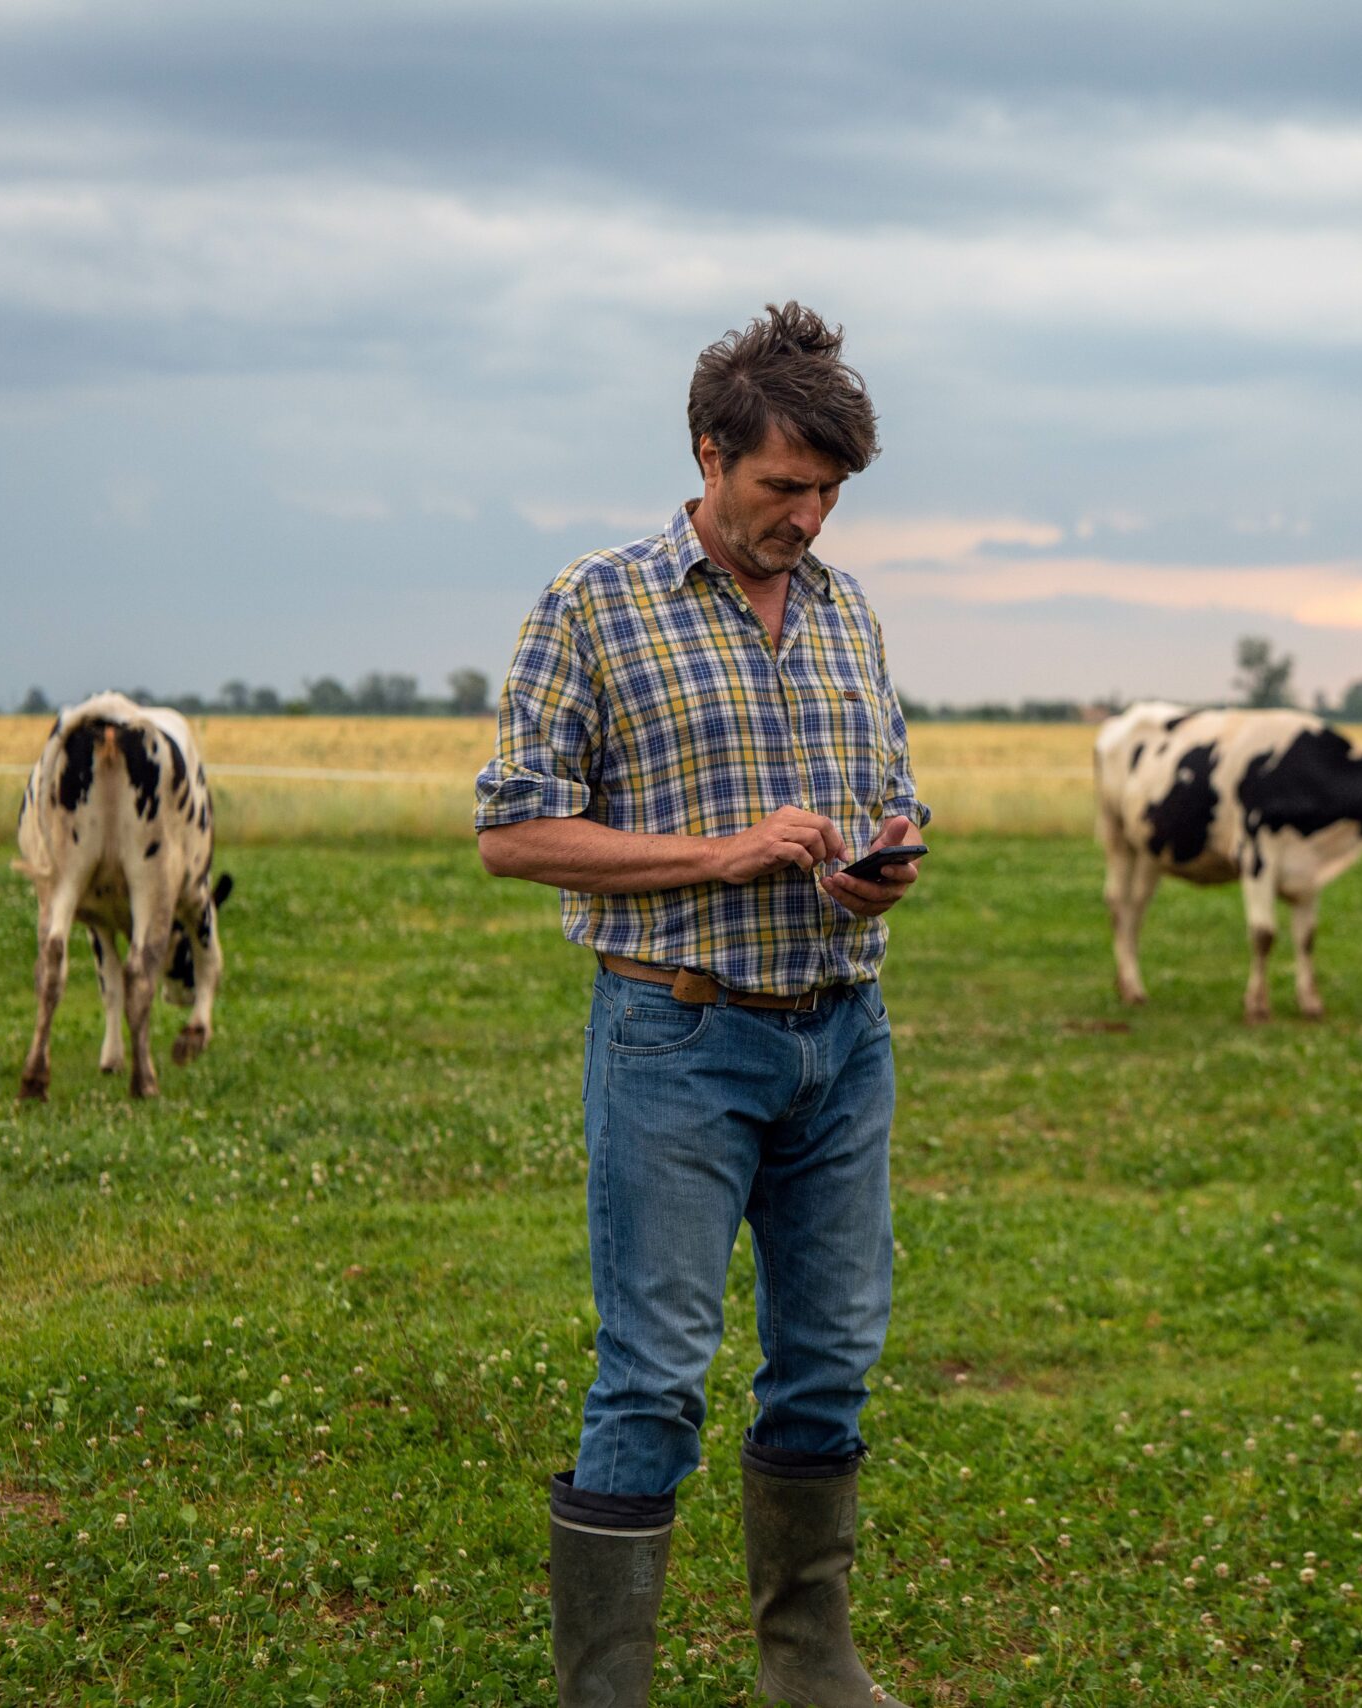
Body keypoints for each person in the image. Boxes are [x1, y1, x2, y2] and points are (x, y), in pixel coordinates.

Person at [474, 302, 928, 1708]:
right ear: (708, 453)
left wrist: (887, 860)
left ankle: (809, 1665)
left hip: (841, 1035)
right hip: (676, 1031)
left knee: (832, 1356)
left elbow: (892, 792)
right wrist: (722, 853)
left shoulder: (848, 608)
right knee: (657, 1371)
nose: (809, 515)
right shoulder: (593, 605)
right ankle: (603, 1691)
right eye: (785, 486)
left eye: (831, 491)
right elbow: (513, 832)